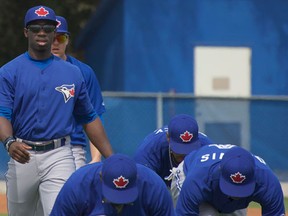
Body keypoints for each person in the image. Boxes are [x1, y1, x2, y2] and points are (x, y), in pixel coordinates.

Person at [0, 5, 113, 216]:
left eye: (47, 28)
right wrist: (9, 141)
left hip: (59, 154)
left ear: (54, 32)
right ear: (26, 31)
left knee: (61, 211)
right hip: (23, 152)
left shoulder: (73, 73)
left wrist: (111, 156)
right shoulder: (9, 72)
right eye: (35, 28)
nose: (41, 32)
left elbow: (89, 118)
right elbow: (2, 114)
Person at [52, 15, 105, 168]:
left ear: (67, 40)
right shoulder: (31, 70)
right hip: (34, 145)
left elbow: (95, 115)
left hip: (72, 147)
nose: (56, 43)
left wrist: (96, 157)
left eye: (60, 38)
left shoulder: (83, 72)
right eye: (52, 37)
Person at [173, 144, 285, 215]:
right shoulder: (197, 179)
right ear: (220, 171)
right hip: (186, 174)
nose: (235, 195)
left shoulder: (268, 182)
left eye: (241, 189)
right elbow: (185, 213)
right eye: (232, 188)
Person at [50, 153, 176, 216]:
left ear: (136, 179)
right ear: (101, 177)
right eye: (115, 198)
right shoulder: (79, 185)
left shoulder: (153, 186)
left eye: (124, 197)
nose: (119, 204)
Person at [134, 114, 213, 187]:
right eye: (179, 151)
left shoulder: (207, 148)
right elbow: (142, 184)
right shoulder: (150, 150)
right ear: (168, 138)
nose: (184, 157)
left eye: (189, 151)